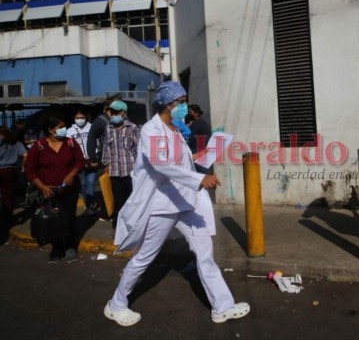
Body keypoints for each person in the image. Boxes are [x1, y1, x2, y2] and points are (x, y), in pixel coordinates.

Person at [104, 81, 249, 327]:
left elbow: (181, 161)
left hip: (187, 201)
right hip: (163, 204)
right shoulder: (151, 130)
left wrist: (207, 154)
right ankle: (116, 304)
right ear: (169, 104)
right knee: (145, 257)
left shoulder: (174, 129)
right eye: (180, 103)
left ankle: (222, 306)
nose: (184, 107)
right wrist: (199, 178)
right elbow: (161, 164)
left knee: (205, 254)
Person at [25, 115, 85, 263]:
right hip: (49, 192)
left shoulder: (70, 143)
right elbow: (30, 171)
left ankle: (71, 246)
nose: (64, 130)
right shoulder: (39, 146)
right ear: (50, 130)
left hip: (69, 190)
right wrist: (42, 187)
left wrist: (71, 174)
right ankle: (57, 248)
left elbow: (80, 161)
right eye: (60, 127)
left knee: (69, 218)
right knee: (52, 219)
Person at [101, 100, 139, 230]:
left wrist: (139, 169)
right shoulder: (108, 128)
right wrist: (106, 164)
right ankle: (118, 230)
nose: (114, 114)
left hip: (131, 172)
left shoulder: (132, 128)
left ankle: (132, 229)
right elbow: (106, 147)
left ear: (124, 113)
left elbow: (138, 149)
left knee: (132, 202)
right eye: (112, 112)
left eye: (117, 112)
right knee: (118, 203)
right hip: (115, 172)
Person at [0, 126, 28, 244]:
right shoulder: (16, 143)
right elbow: (26, 154)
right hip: (10, 171)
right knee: (8, 197)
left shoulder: (1, 142)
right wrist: (23, 165)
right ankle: (8, 220)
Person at [67, 110, 97, 216]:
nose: (80, 120)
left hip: (91, 161)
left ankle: (89, 206)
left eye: (82, 117)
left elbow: (97, 142)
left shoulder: (92, 128)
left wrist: (95, 155)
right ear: (74, 119)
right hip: (78, 162)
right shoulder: (70, 131)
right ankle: (87, 202)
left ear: (86, 118)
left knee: (91, 184)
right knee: (83, 185)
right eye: (77, 118)